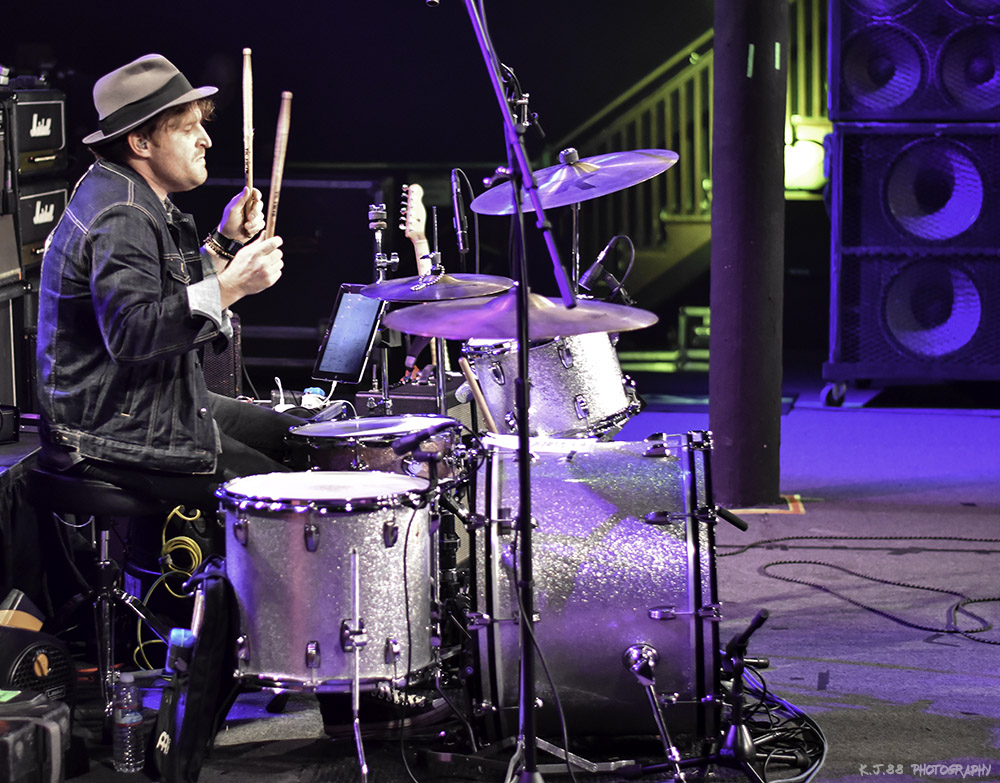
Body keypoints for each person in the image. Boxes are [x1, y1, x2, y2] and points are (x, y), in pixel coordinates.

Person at [36, 53, 301, 514]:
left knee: (300, 440)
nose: (206, 140)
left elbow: (158, 294)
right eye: (187, 128)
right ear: (140, 142)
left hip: (150, 405)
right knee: (290, 498)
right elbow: (134, 334)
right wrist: (231, 287)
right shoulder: (122, 213)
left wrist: (222, 244)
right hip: (111, 430)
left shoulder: (127, 189)